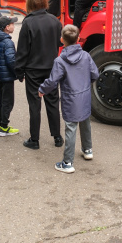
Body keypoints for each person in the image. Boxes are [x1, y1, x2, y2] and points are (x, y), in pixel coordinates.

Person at [38, 25, 99, 173]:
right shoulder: (85, 55)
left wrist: (42, 90)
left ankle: (67, 162)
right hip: (84, 95)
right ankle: (87, 149)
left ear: (62, 40)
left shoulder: (60, 61)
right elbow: (95, 74)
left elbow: (53, 81)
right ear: (78, 39)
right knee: (85, 122)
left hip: (70, 98)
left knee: (71, 128)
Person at [16, 0, 63, 150]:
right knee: (53, 102)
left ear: (29, 2)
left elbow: (22, 50)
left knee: (34, 104)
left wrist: (19, 71)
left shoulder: (28, 22)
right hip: (51, 68)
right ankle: (57, 137)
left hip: (33, 69)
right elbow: (60, 42)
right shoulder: (55, 21)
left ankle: (34, 140)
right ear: (44, 1)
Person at [0, 16, 19, 137]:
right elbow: (11, 60)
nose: (14, 26)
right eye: (12, 24)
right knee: (7, 101)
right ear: (7, 27)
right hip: (7, 77)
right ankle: (4, 127)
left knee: (0, 100)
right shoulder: (8, 42)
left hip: (0, 75)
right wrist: (18, 73)